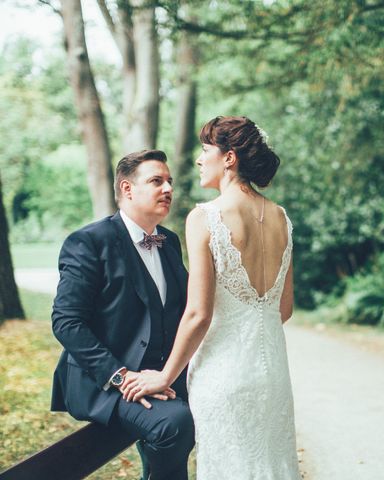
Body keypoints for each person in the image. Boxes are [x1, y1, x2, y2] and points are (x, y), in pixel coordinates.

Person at [122, 116, 301, 479]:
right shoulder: (281, 217)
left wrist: (165, 376)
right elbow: (284, 308)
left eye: (206, 150)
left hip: (224, 373)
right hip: (273, 374)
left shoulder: (206, 216)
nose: (200, 159)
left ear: (229, 158)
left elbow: (198, 314)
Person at [51, 150, 195, 480]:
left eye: (169, 182)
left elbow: (184, 311)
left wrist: (170, 374)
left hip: (160, 376)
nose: (168, 189)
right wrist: (119, 376)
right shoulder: (88, 242)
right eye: (157, 181)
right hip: (103, 381)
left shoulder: (169, 241)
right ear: (127, 189)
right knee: (173, 423)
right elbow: (66, 322)